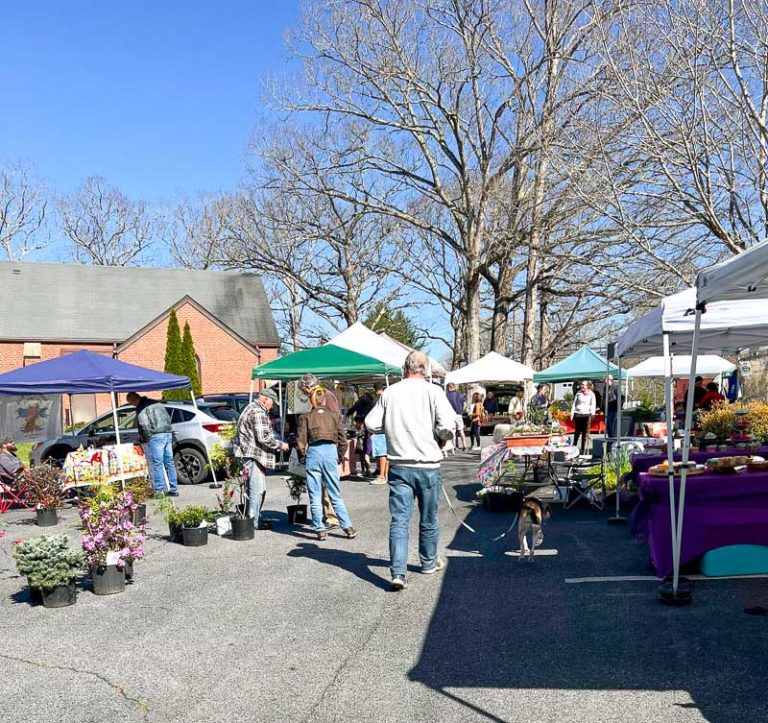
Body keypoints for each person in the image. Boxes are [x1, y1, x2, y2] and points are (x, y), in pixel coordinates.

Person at [365, 350, 456, 591]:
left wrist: (393, 426)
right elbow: (447, 426)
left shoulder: (390, 392)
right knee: (428, 518)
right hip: (427, 465)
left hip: (399, 465)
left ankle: (398, 572)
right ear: (424, 370)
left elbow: (371, 423)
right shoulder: (434, 391)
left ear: (404, 368)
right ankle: (427, 562)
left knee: (400, 521)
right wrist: (441, 438)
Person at [296, 388, 357, 541]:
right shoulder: (335, 416)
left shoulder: (306, 417)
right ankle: (347, 527)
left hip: (314, 453)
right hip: (330, 451)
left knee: (314, 494)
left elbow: (301, 441)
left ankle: (320, 529)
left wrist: (302, 456)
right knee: (335, 493)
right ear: (324, 400)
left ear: (312, 401)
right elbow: (343, 440)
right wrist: (339, 455)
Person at [234, 388, 289, 529]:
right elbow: (263, 438)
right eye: (272, 403)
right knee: (256, 489)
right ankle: (253, 522)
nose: (272, 407)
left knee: (256, 489)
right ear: (265, 399)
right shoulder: (258, 412)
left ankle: (253, 517)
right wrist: (280, 445)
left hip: (248, 454)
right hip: (253, 455)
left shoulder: (251, 408)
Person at [299, 374, 343, 527]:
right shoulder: (325, 394)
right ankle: (329, 516)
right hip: (329, 447)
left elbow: (333, 419)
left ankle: (331, 517)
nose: (305, 394)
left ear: (308, 386)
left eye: (304, 391)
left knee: (326, 488)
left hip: (324, 447)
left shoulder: (323, 396)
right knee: (326, 486)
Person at [126, 392, 179, 497]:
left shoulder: (141, 407)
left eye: (131, 403)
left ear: (133, 400)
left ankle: (159, 491)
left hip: (156, 435)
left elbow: (144, 423)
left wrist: (148, 436)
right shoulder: (155, 403)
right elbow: (167, 417)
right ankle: (173, 489)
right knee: (169, 462)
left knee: (157, 463)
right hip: (167, 433)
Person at [368, 383, 390, 484]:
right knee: (385, 454)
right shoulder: (387, 397)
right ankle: (385, 475)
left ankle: (382, 476)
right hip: (385, 429)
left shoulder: (382, 399)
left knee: (382, 454)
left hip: (381, 430)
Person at [570, 380, 596, 456]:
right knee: (577, 432)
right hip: (578, 414)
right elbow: (574, 404)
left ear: (587, 386)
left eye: (583, 385)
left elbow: (593, 405)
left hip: (586, 415)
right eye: (581, 384)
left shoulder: (591, 394)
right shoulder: (578, 393)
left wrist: (593, 414)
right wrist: (572, 414)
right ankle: (574, 447)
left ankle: (583, 450)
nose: (582, 386)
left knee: (585, 434)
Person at [445, 383, 467, 450]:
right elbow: (464, 404)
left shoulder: (446, 396)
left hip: (450, 415)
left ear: (448, 387)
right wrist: (461, 411)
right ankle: (464, 446)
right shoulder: (460, 395)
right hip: (458, 414)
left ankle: (454, 447)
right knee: (461, 430)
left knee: (453, 431)